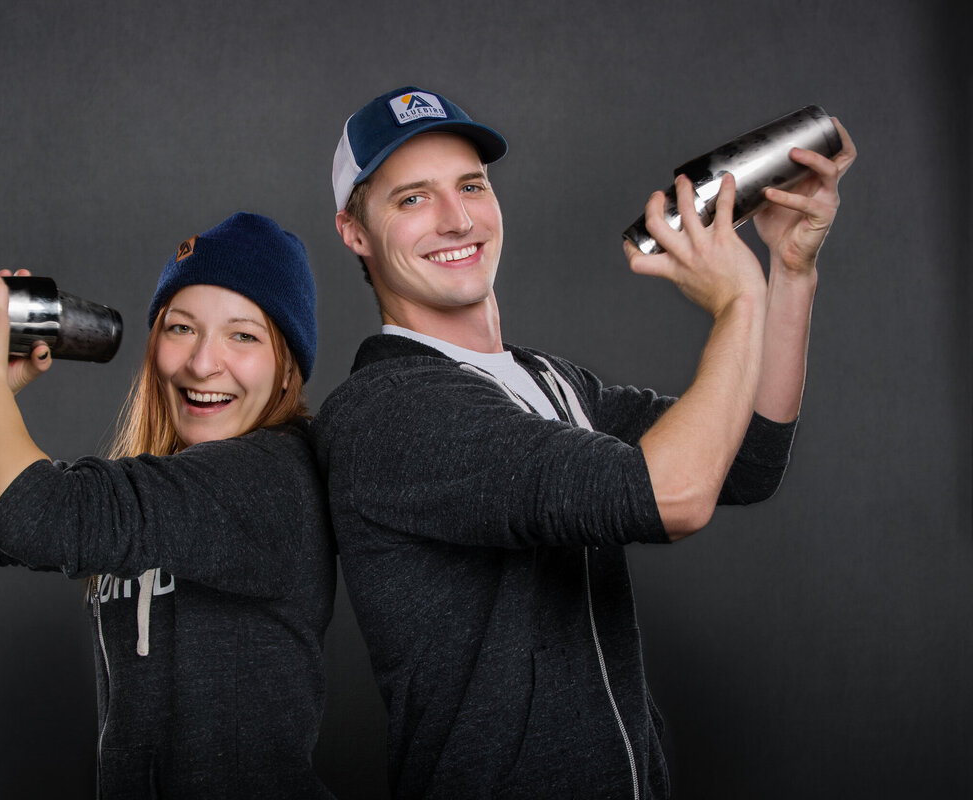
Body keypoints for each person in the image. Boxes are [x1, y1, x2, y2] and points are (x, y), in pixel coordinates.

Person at [313, 87, 856, 798]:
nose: (457, 219)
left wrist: (789, 272)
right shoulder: (387, 410)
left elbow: (746, 459)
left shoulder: (546, 381)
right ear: (354, 232)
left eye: (471, 186)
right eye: (412, 199)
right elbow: (672, 496)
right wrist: (738, 299)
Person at [0, 212, 336, 799]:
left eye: (244, 335)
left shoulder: (271, 478)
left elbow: (33, 515)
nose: (202, 363)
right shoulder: (158, 487)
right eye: (181, 328)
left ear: (288, 366)